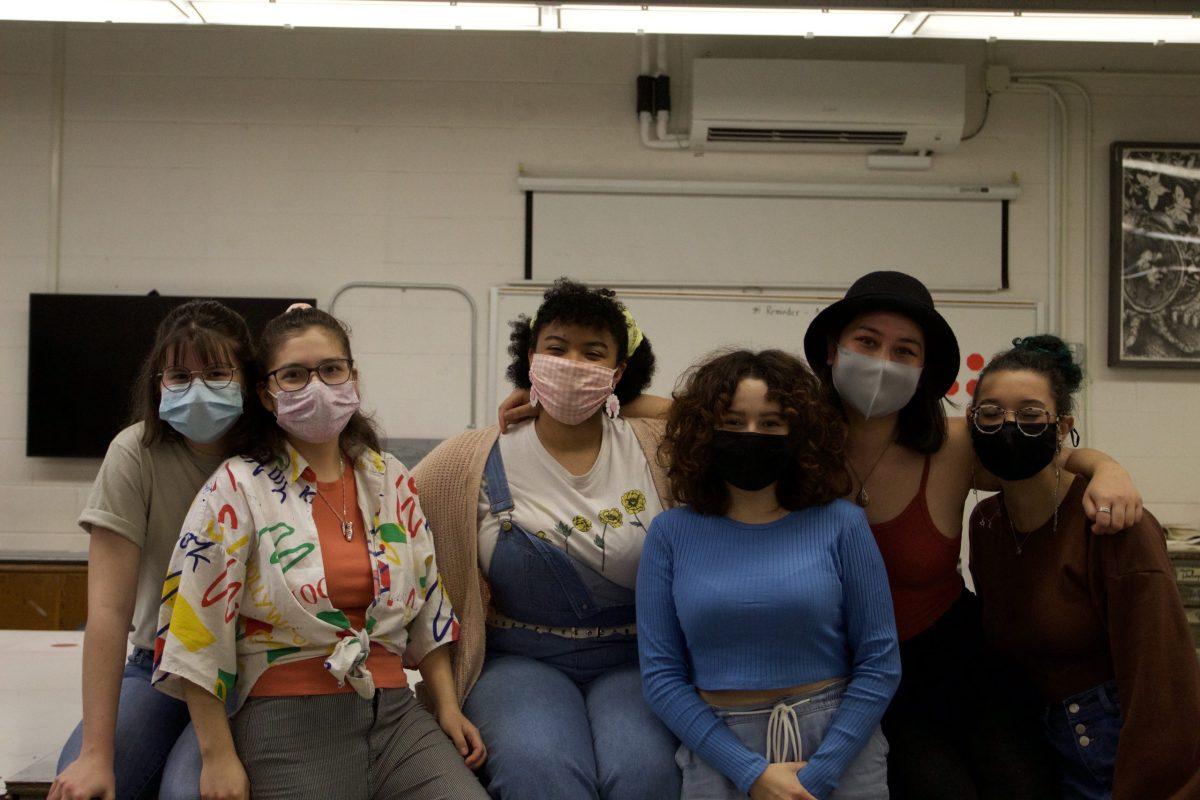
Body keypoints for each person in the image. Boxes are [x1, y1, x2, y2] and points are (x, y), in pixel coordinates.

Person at [151, 306, 488, 800]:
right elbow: (195, 634)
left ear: (354, 378)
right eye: (293, 375)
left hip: (395, 716)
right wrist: (217, 756)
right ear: (266, 394)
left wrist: (447, 707)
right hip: (286, 720)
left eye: (331, 370)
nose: (317, 386)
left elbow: (428, 603)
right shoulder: (235, 488)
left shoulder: (390, 477)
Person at [412, 278, 680, 800]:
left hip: (639, 657)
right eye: (556, 350)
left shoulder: (656, 447)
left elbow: (725, 411)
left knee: (647, 772)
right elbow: (389, 515)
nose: (573, 363)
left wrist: (628, 401)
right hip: (519, 658)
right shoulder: (469, 457)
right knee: (541, 772)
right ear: (530, 359)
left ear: (619, 371)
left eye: (593, 354)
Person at [638, 349, 900, 800]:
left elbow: (879, 663)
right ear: (704, 433)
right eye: (734, 422)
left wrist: (817, 777)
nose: (752, 435)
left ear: (798, 435)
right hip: (720, 751)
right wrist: (751, 773)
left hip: (840, 744)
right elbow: (662, 678)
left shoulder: (843, 524)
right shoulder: (669, 534)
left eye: (771, 423)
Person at [967, 335, 1200, 800]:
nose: (1008, 427)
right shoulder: (987, 522)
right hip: (1035, 745)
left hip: (1116, 748)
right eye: (991, 414)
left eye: (1031, 415)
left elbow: (1162, 678)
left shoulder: (1112, 524)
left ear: (1062, 426)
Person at [52, 300, 264, 800]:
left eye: (215, 373)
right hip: (157, 666)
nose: (197, 389)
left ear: (249, 380)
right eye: (179, 375)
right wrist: (96, 755)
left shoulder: (274, 455)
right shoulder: (136, 452)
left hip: (248, 675)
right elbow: (107, 610)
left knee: (187, 792)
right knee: (79, 784)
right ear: (157, 382)